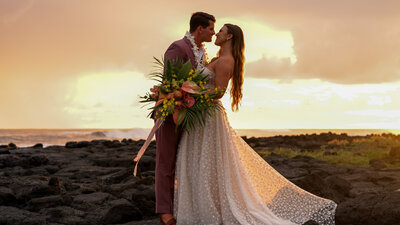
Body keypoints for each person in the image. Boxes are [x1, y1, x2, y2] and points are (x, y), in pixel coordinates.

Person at [173, 24, 337, 225]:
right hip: (202, 115)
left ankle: (210, 211)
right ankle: (201, 208)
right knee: (201, 161)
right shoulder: (217, 59)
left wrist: (190, 94)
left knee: (209, 163)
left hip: (209, 116)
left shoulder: (225, 61)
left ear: (229, 37)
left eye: (221, 31)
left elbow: (219, 92)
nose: (217, 33)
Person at [154, 12, 215, 225]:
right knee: (166, 163)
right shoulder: (177, 48)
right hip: (170, 112)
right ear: (200, 29)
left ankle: (181, 205)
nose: (213, 33)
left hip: (189, 115)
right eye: (210, 28)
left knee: (184, 161)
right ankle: (164, 211)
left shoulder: (201, 51)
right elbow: (169, 84)